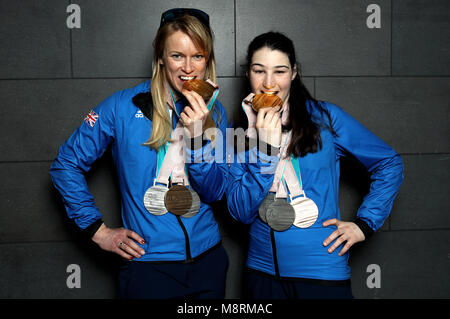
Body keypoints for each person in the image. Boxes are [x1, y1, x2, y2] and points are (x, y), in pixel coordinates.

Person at [50, 8, 229, 299]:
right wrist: (97, 230)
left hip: (209, 263)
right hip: (148, 269)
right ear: (160, 57)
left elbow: (216, 191)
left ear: (207, 59)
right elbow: (65, 165)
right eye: (176, 56)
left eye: (197, 56)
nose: (188, 67)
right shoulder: (121, 106)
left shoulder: (215, 113)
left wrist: (198, 139)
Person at [226, 31, 404, 299]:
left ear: (294, 73)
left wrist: (364, 223)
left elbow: (389, 163)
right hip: (261, 274)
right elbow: (241, 211)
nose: (269, 83)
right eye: (259, 71)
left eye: (280, 71)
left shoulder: (326, 119)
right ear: (248, 73)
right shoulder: (239, 132)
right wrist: (263, 145)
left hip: (321, 274)